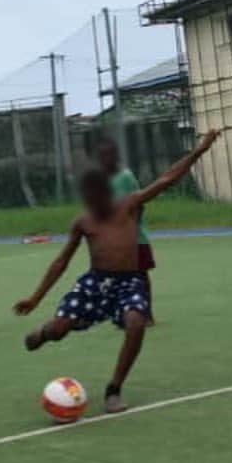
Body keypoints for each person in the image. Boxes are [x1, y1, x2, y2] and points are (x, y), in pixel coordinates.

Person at [14, 130, 219, 414]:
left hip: (129, 281)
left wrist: (200, 150)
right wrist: (35, 298)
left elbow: (168, 178)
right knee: (60, 329)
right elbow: (60, 262)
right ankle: (44, 333)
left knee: (136, 323)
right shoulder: (83, 222)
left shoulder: (129, 204)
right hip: (94, 283)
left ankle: (114, 389)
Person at [97, 137, 157, 323]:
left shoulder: (126, 176)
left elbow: (139, 203)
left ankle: (147, 314)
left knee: (141, 275)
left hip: (135, 238)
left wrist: (131, 227)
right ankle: (125, 314)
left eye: (109, 155)